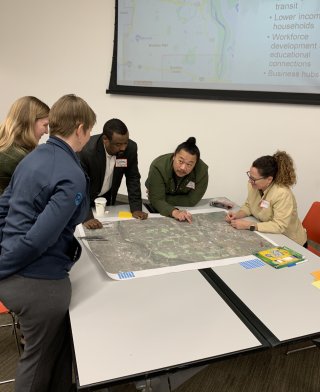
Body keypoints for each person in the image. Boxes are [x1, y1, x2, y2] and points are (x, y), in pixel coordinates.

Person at [0, 94, 96, 392]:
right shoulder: (71, 174)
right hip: (36, 283)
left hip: (17, 271)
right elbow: (38, 239)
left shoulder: (32, 157)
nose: (89, 137)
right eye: (90, 130)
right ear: (79, 128)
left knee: (53, 351)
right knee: (38, 360)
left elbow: (4, 208)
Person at [225, 151, 307, 247]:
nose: (250, 181)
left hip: (290, 242)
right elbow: (249, 205)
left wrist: (248, 225)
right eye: (249, 176)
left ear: (269, 179)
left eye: (254, 179)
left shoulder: (282, 193)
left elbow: (279, 225)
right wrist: (238, 215)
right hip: (267, 236)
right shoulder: (254, 185)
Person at [79, 118, 148, 229]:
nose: (123, 148)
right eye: (118, 144)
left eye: (125, 142)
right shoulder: (86, 151)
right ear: (105, 139)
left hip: (107, 197)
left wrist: (136, 208)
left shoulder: (130, 148)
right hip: (87, 196)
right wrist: (86, 217)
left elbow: (132, 178)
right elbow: (79, 186)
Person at [145, 137, 209, 223]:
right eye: (180, 161)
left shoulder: (202, 171)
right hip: (160, 209)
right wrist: (175, 212)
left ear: (195, 164)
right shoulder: (158, 166)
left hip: (185, 208)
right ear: (174, 156)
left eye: (189, 164)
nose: (183, 168)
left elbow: (192, 200)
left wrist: (159, 197)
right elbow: (156, 201)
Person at [0, 96, 50, 194]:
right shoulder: (18, 159)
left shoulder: (8, 151)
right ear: (29, 121)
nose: (47, 131)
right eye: (45, 125)